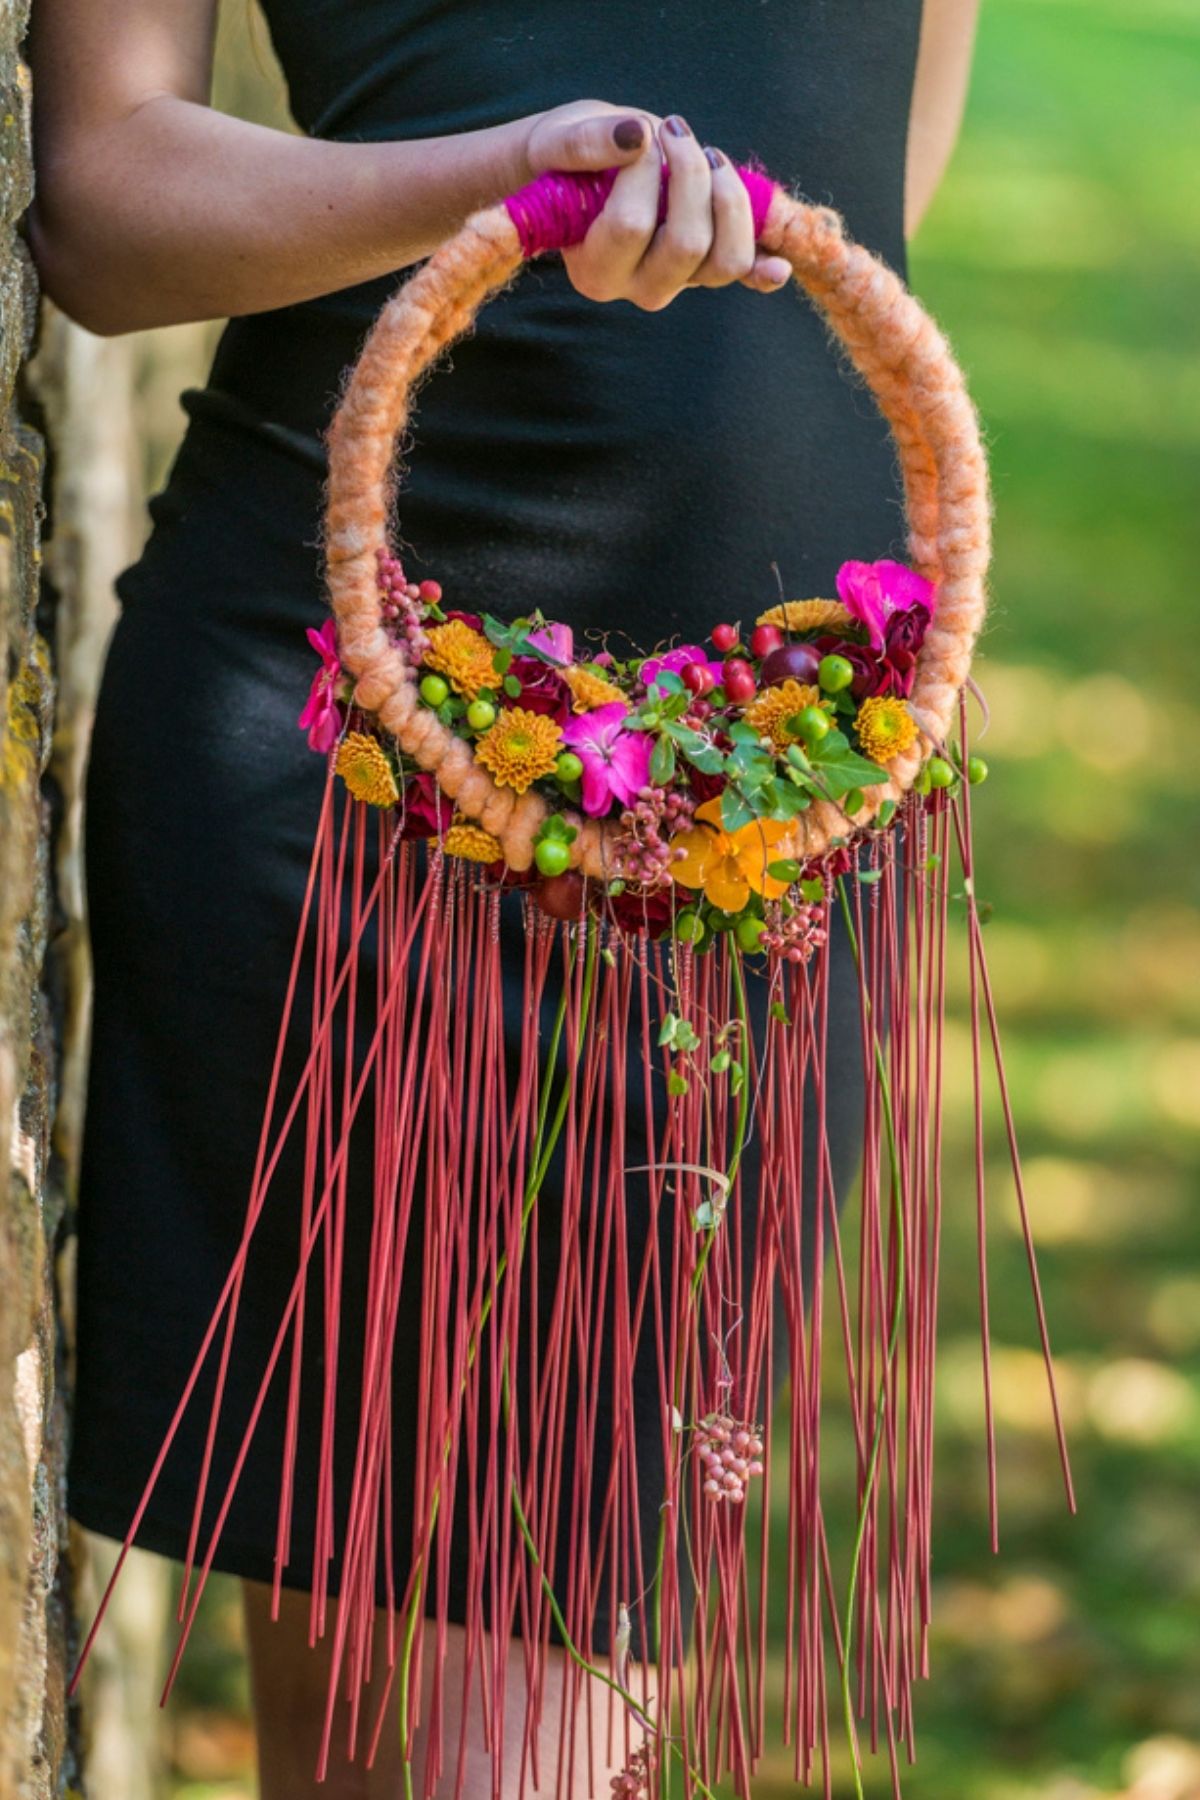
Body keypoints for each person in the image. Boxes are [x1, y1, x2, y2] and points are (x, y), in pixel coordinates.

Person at [29, 2, 979, 1795]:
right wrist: (504, 181)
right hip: (349, 739)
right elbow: (104, 198)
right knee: (383, 1709)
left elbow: (873, 164)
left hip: (767, 792)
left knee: (520, 1693)